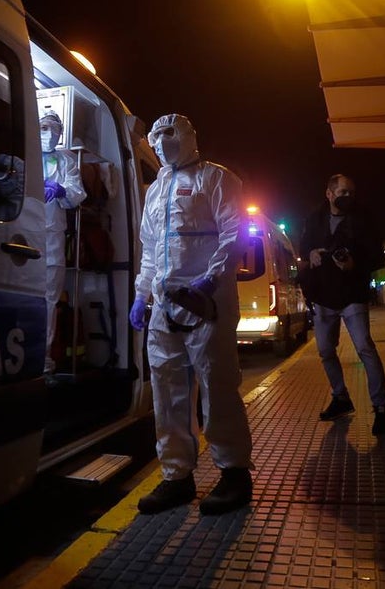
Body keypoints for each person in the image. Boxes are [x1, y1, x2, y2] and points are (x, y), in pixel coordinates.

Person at [129, 113, 254, 516]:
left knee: (217, 387)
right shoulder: (155, 190)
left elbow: (234, 234)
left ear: (188, 136)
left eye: (170, 134)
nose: (163, 142)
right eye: (157, 136)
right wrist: (141, 295)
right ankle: (177, 477)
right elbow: (150, 250)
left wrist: (210, 280)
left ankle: (234, 474)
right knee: (167, 392)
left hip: (207, 304)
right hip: (165, 305)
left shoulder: (217, 179)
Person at [298, 174, 385, 436]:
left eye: (351, 192)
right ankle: (340, 397)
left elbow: (376, 256)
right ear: (329, 194)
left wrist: (354, 263)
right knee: (325, 350)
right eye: (343, 192)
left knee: (365, 347)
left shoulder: (362, 217)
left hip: (353, 293)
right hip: (322, 294)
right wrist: (311, 253)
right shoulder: (314, 218)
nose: (348, 197)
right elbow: (303, 247)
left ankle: (382, 408)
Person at [40, 111, 87, 375]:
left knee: (49, 299)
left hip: (52, 236)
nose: (49, 134)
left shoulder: (67, 160)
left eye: (54, 129)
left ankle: (45, 359)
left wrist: (61, 190)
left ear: (60, 134)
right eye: (44, 127)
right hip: (25, 230)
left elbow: (78, 193)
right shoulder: (26, 155)